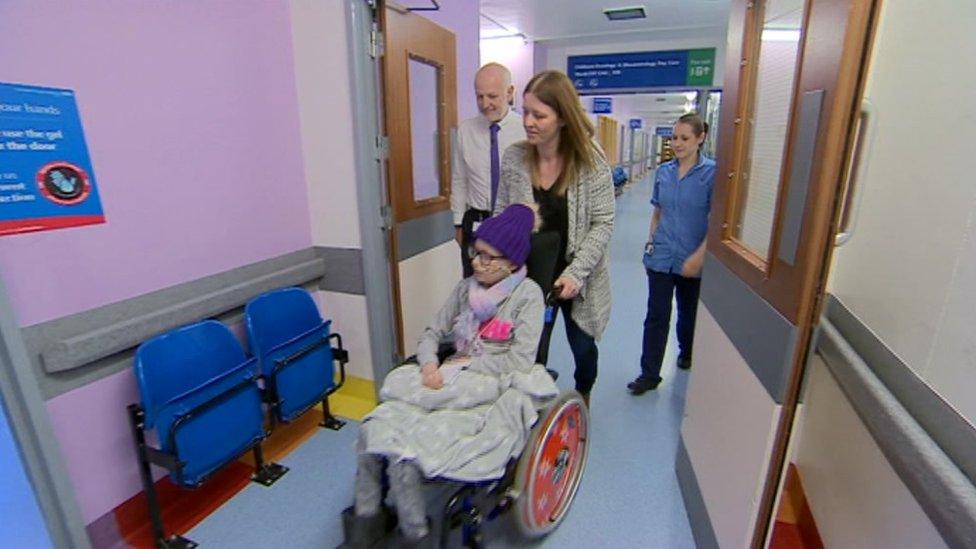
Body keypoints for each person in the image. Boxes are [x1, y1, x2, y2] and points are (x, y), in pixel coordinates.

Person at [342, 204, 557, 548]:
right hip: (448, 373)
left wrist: (463, 367)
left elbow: (519, 360)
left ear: (511, 263)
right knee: (375, 428)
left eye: (488, 257)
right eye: (476, 252)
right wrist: (429, 364)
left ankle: (417, 536)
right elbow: (432, 333)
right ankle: (365, 525)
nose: (476, 262)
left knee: (404, 456)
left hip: (489, 383)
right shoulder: (465, 289)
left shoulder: (527, 295)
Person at [494, 70, 615, 407]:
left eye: (539, 115)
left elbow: (603, 222)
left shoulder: (590, 160)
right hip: (531, 276)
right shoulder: (515, 158)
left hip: (579, 277)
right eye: (526, 111)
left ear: (562, 118)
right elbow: (501, 212)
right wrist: (494, 256)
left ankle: (583, 393)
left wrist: (576, 274)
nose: (528, 121)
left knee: (583, 346)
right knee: (530, 347)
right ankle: (528, 407)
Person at [629, 113, 716, 395]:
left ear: (700, 138)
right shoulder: (664, 172)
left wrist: (700, 257)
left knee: (688, 314)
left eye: (684, 138)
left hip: (693, 258)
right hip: (662, 256)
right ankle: (649, 373)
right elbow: (658, 212)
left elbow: (716, 221)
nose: (677, 143)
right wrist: (651, 243)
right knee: (656, 314)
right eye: (674, 138)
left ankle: (687, 350)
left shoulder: (711, 174)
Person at [451, 63, 526, 277]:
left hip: (513, 224)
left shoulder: (526, 131)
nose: (485, 104)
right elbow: (459, 179)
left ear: (510, 92)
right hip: (476, 222)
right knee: (474, 287)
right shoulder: (466, 130)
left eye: (492, 96)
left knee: (510, 289)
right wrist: (458, 223)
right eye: (479, 97)